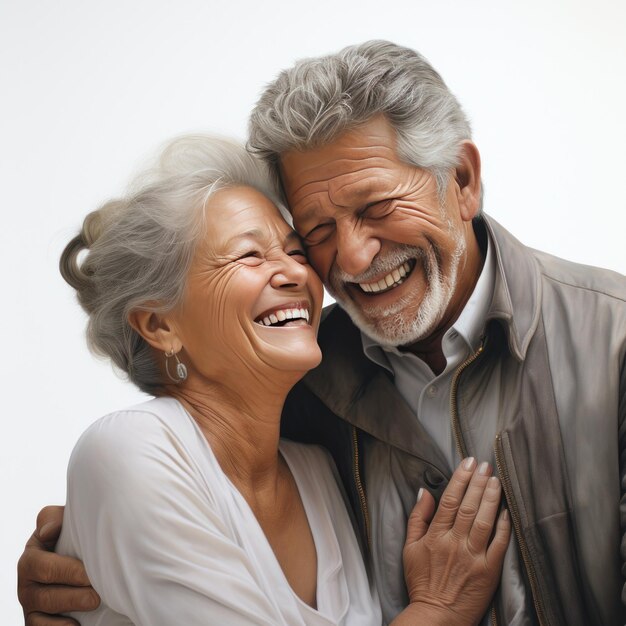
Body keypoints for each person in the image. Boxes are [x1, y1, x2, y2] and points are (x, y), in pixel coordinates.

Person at [18, 39, 626, 624]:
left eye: (376, 207)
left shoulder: (612, 341)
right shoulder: (303, 386)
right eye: (317, 229)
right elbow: (179, 485)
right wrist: (85, 554)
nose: (354, 259)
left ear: (462, 180)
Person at [18, 133, 509, 626]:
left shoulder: (314, 471)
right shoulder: (130, 449)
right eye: (248, 255)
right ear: (159, 325)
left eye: (297, 253)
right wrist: (438, 609)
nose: (294, 274)